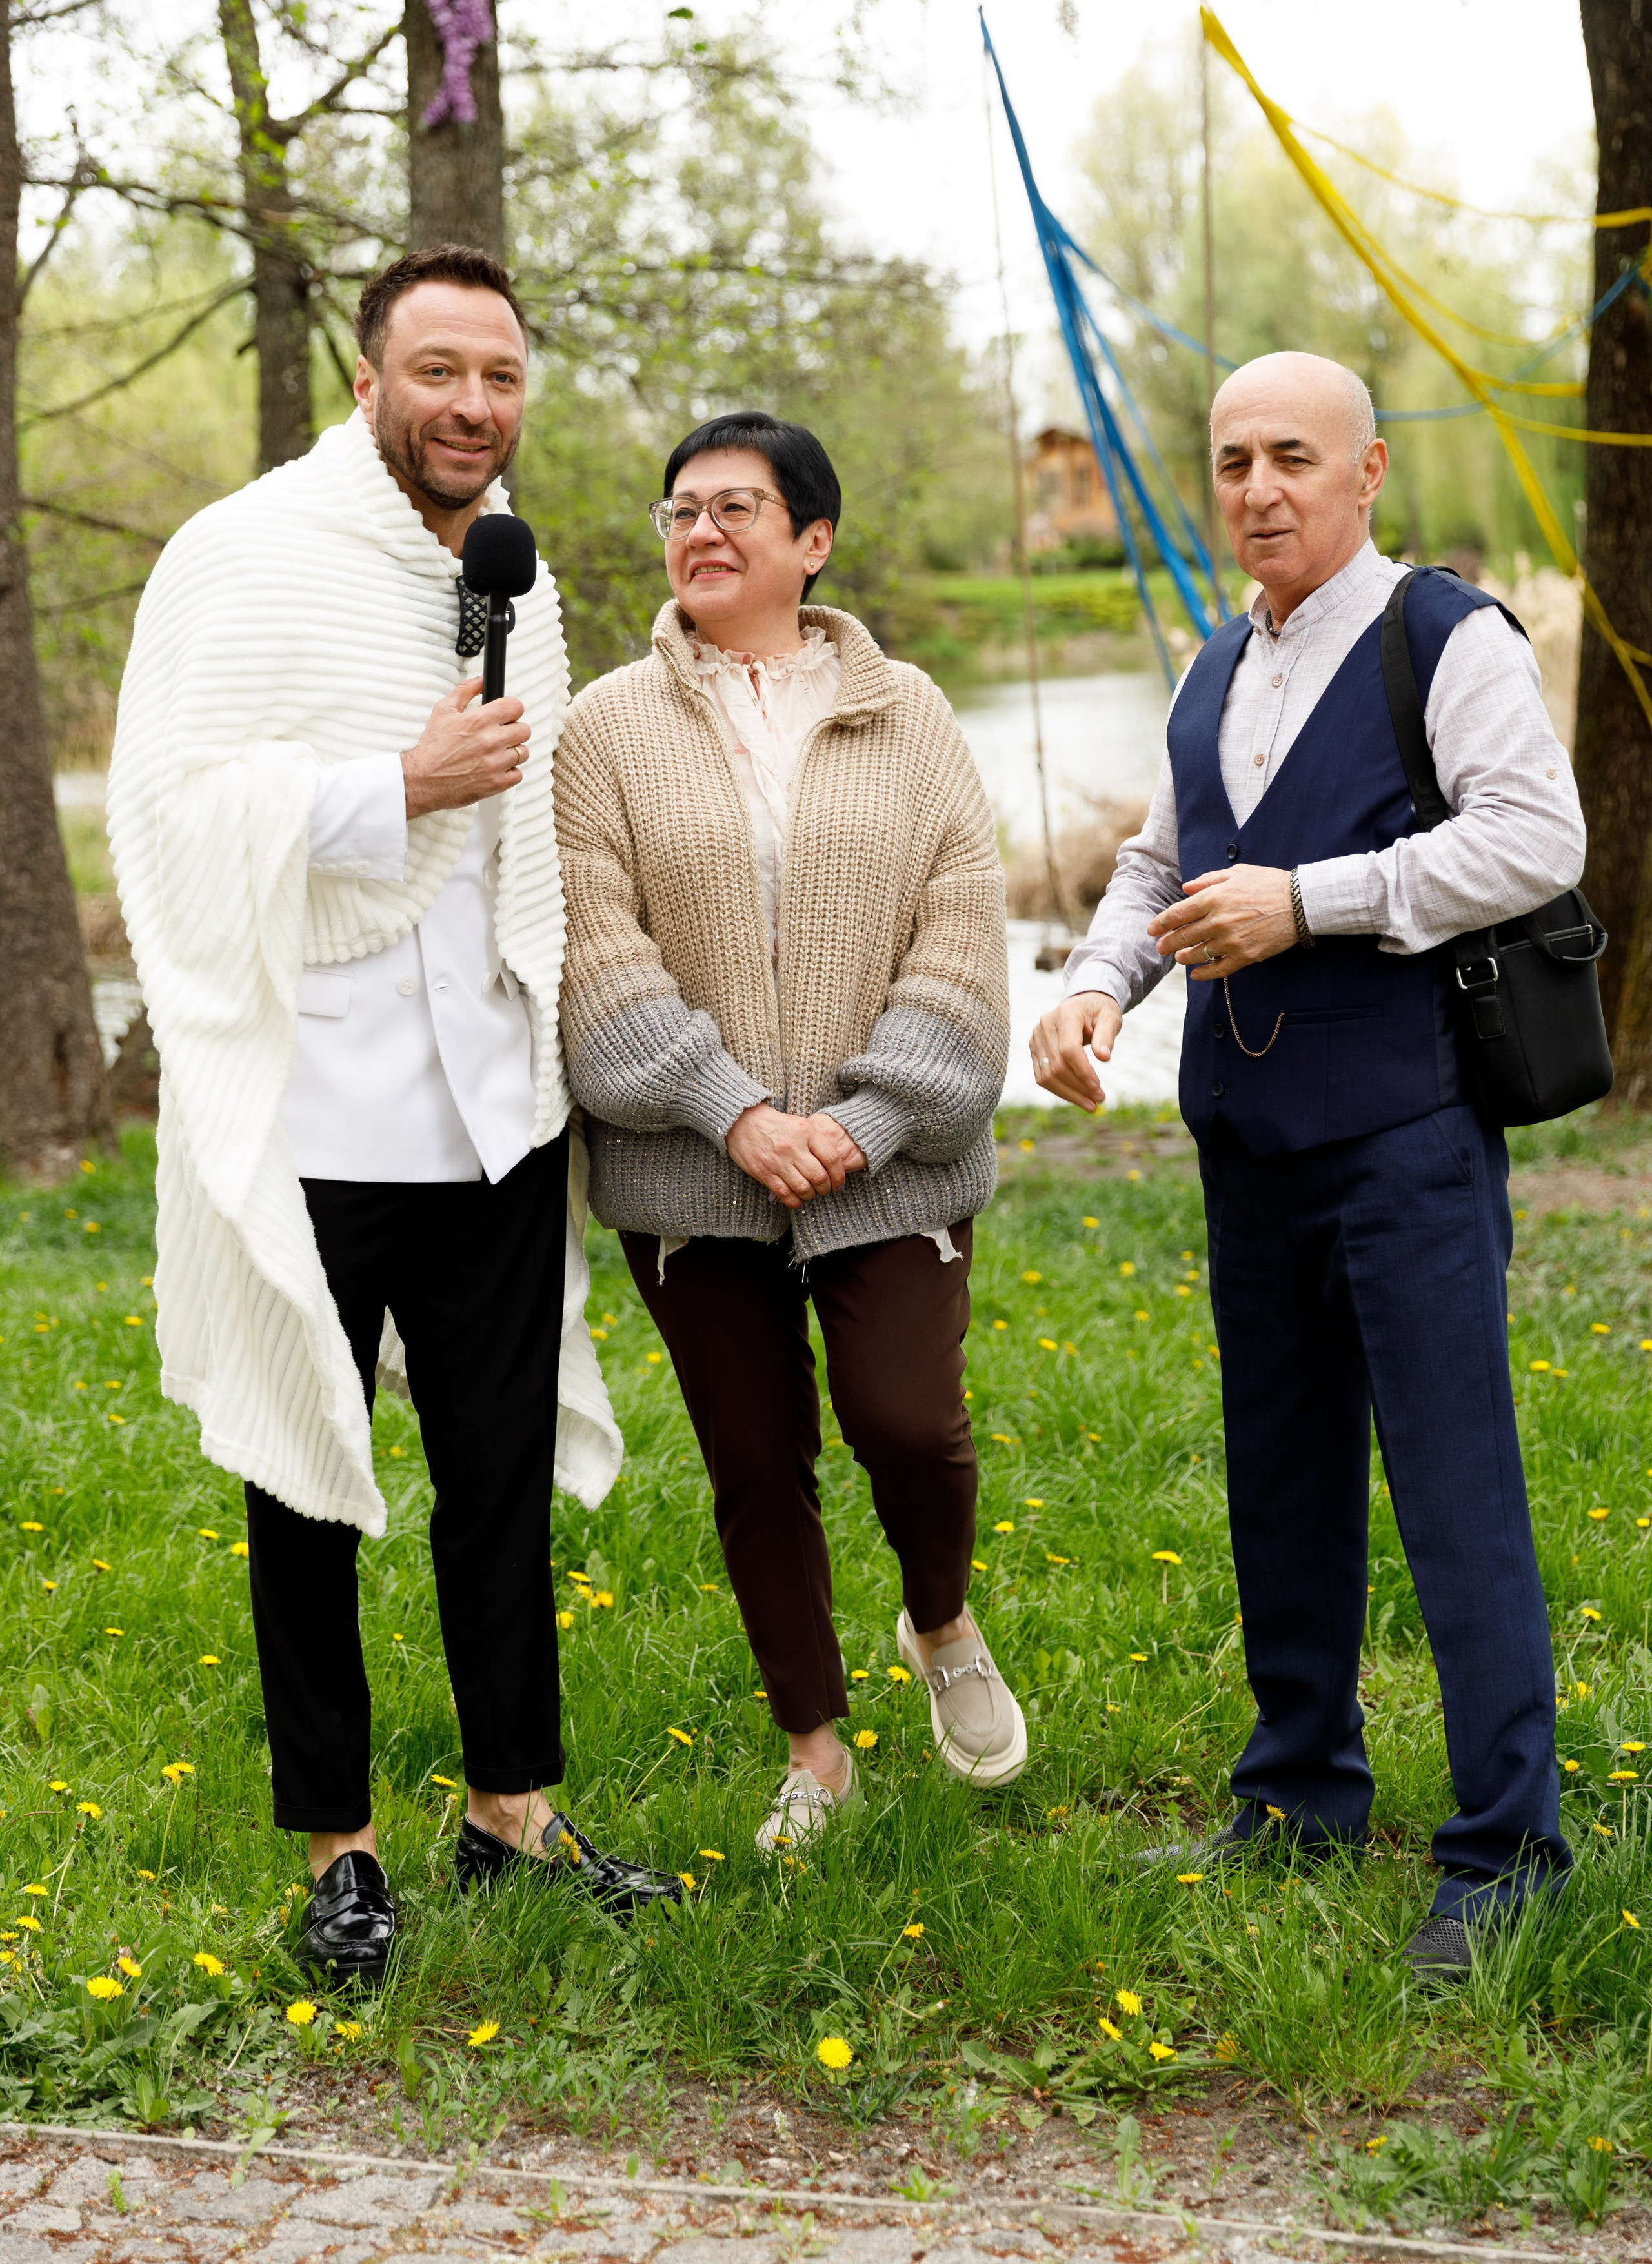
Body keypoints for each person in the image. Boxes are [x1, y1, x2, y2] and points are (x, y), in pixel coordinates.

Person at [108, 245, 681, 1988]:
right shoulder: (243, 555)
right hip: (316, 1103)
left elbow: (537, 839)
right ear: (370, 380)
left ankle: (511, 1809)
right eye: (438, 371)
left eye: (498, 375)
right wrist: (388, 791)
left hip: (491, 1106)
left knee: (496, 1473)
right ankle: (339, 1846)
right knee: (309, 1474)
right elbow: (167, 809)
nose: (472, 406)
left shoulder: (521, 579)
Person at [1032, 351, 1585, 1979]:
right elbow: (1157, 859)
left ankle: (1506, 1848)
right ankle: (1294, 1799)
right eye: (1229, 461)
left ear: (1366, 472)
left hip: (1405, 1131)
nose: (1256, 488)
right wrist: (1087, 988)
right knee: (1278, 1479)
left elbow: (1531, 837)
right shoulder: (1215, 661)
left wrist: (1308, 899)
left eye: (1290, 456)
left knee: (1451, 1487)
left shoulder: (1443, 635)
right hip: (1245, 1137)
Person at [554, 412, 1023, 1852]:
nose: (699, 532)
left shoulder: (913, 713)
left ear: (811, 543)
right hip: (690, 1169)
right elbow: (596, 947)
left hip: (898, 1158)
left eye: (735, 508)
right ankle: (813, 1750)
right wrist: (734, 1114)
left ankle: (937, 1621)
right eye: (680, 509)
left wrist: (869, 1119)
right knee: (755, 1459)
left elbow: (961, 931)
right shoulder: (601, 729)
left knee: (906, 1425)